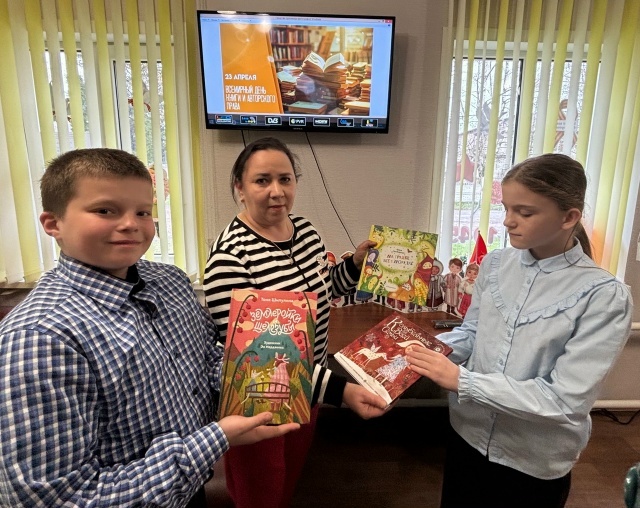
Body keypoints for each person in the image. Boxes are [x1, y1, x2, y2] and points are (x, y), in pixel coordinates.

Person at [0, 148, 300, 508]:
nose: (131, 224)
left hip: (189, 487)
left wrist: (259, 382)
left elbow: (206, 357)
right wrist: (215, 439)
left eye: (143, 212)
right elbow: (55, 499)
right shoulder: (40, 337)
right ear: (53, 224)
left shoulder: (171, 282)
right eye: (105, 210)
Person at [406, 153, 633, 508]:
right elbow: (473, 333)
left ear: (569, 217)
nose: (508, 221)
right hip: (467, 435)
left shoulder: (602, 295)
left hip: (532, 460)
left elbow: (565, 400)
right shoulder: (496, 264)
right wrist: (424, 348)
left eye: (525, 213)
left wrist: (463, 381)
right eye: (506, 208)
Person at [202, 137, 388, 508]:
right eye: (262, 180)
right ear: (240, 187)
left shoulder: (305, 231)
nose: (277, 191)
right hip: (259, 401)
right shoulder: (230, 257)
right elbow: (250, 358)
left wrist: (353, 267)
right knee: (260, 495)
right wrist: (340, 391)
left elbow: (323, 289)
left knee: (286, 484)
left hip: (309, 390)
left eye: (285, 179)